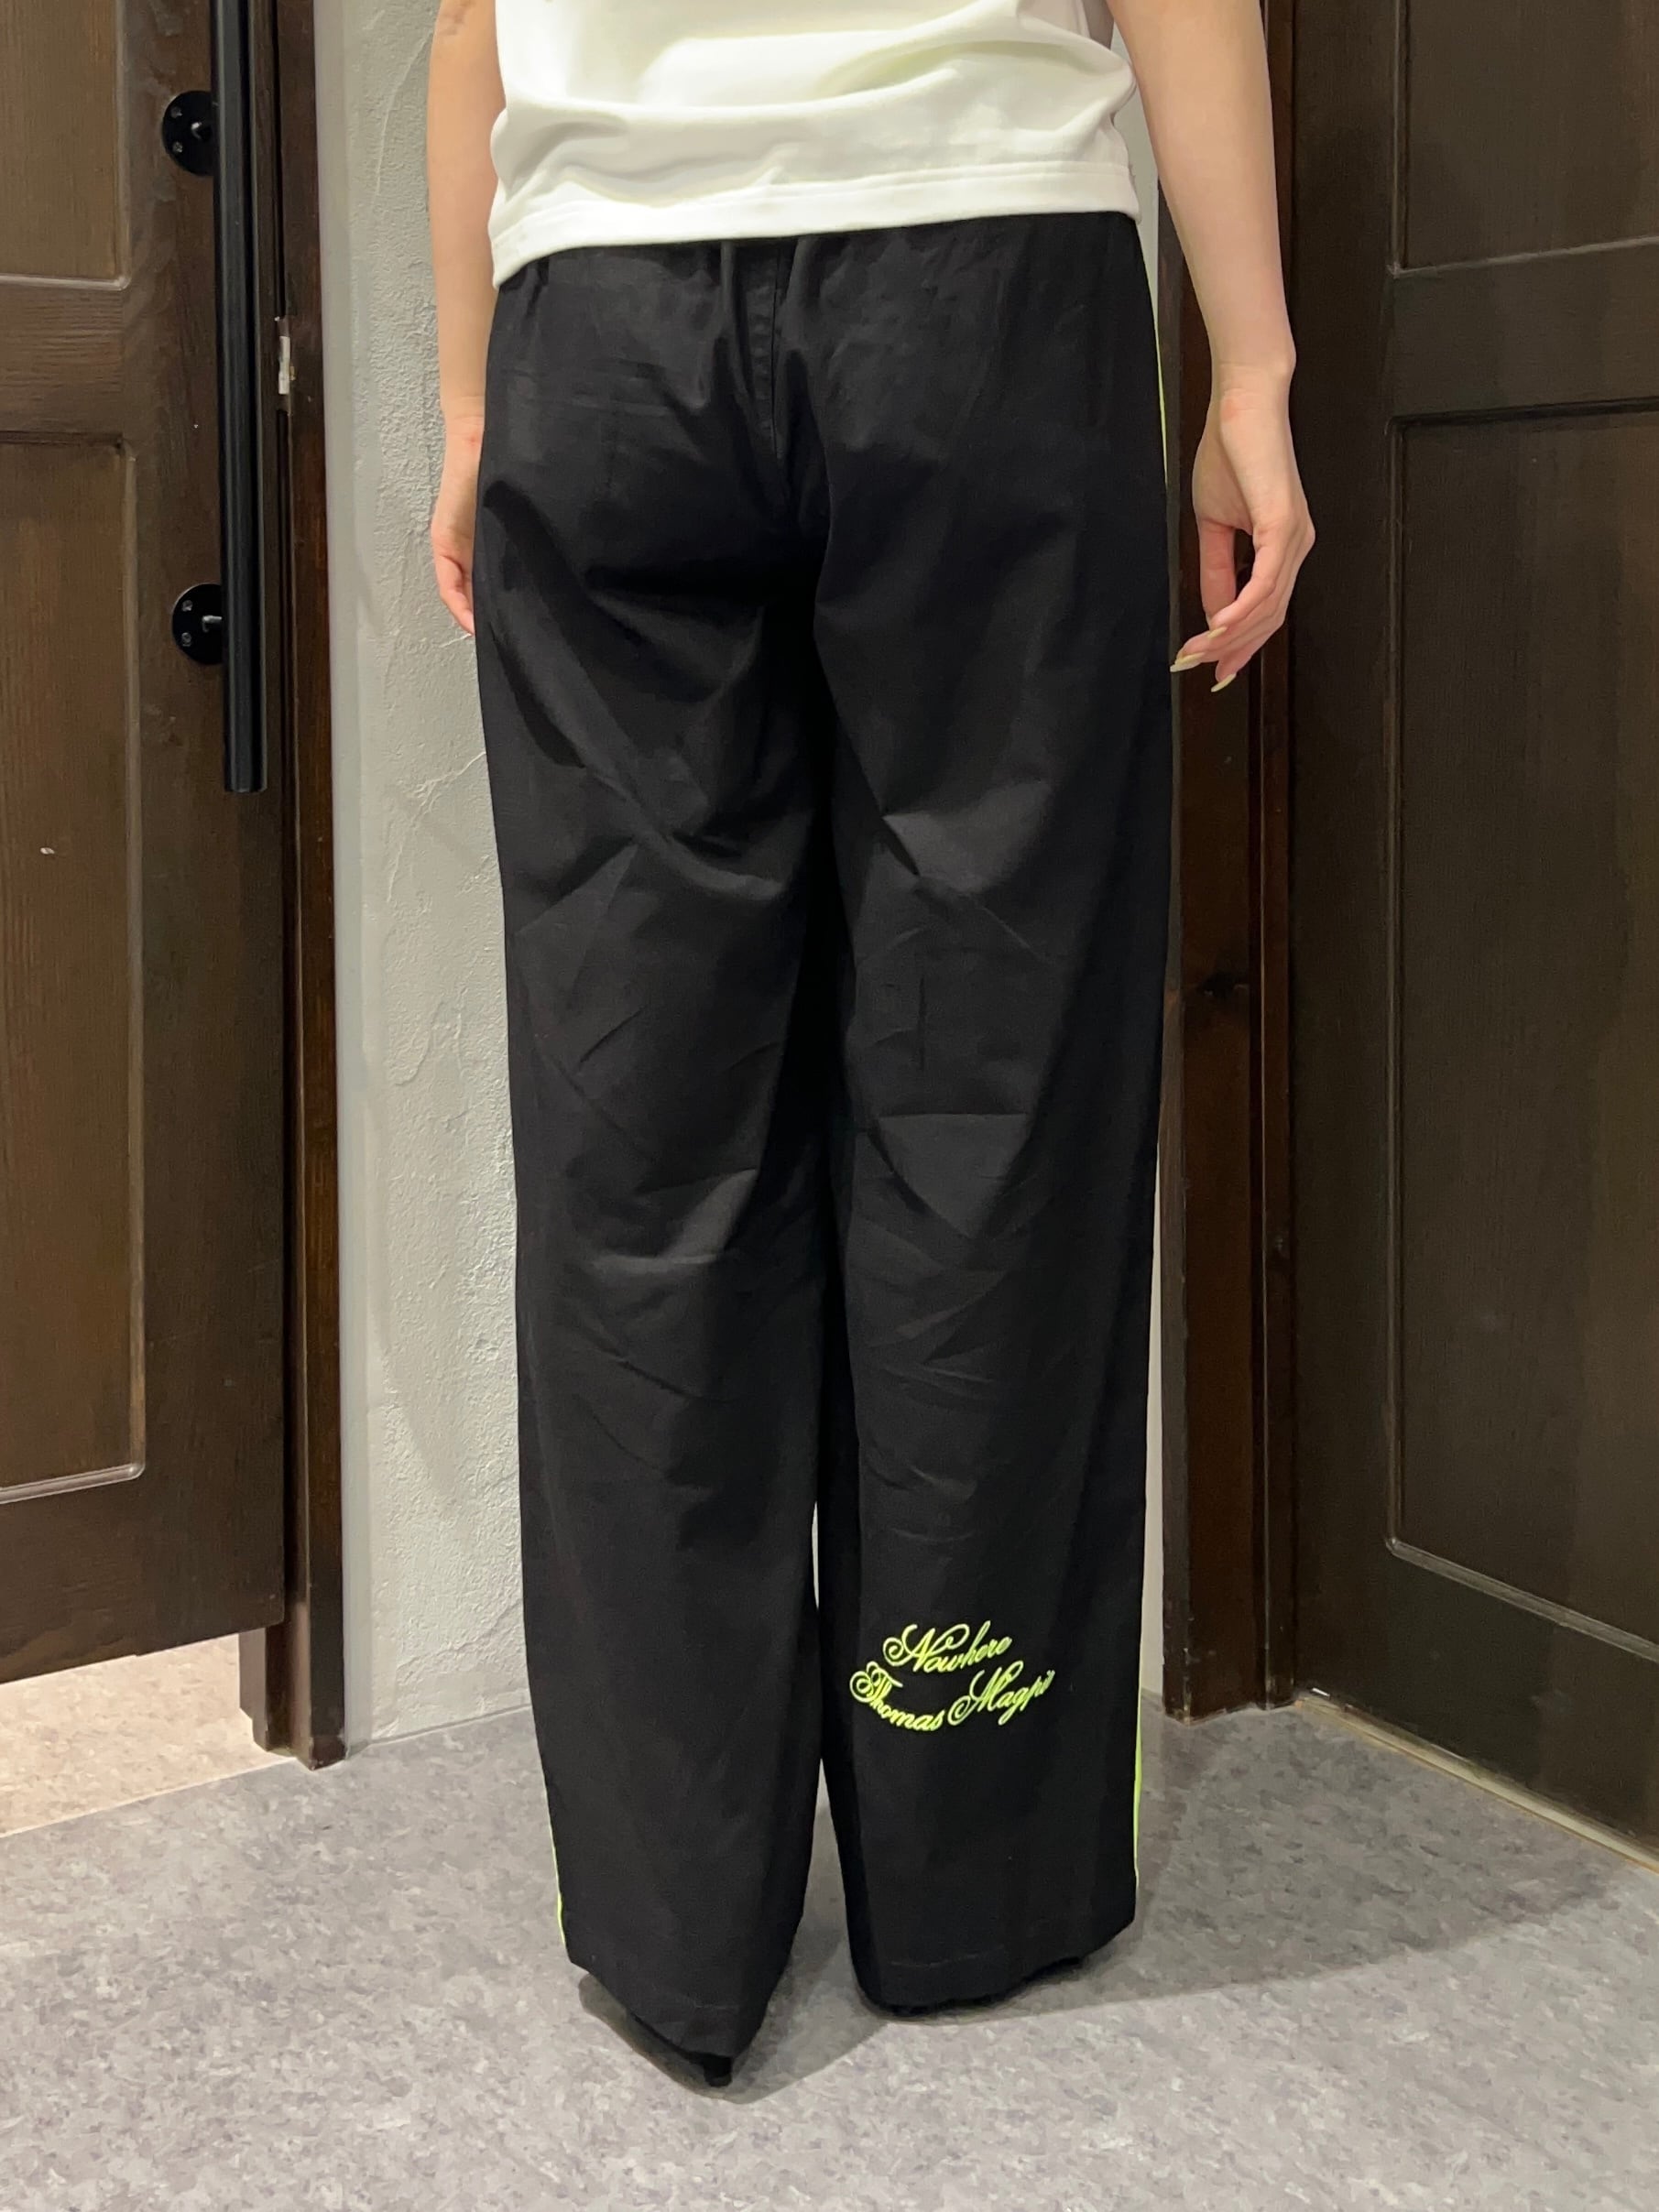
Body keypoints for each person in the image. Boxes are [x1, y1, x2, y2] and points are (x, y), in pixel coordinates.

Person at [426, 0, 1312, 2088]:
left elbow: (469, 21)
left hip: (601, 313)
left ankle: (673, 1915)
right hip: (980, 276)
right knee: (990, 1086)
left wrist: (470, 403)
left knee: (640, 1130)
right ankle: (966, 1856)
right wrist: (1252, 368)